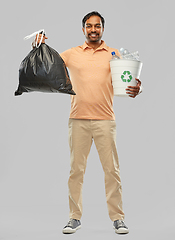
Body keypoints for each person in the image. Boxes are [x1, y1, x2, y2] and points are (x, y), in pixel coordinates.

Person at [33, 11, 142, 235]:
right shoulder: (72, 54)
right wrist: (39, 46)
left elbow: (127, 81)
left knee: (112, 171)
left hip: (105, 120)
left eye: (98, 26)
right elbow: (48, 63)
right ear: (83, 29)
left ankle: (118, 218)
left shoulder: (113, 54)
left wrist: (138, 89)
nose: (94, 29)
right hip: (78, 120)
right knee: (76, 171)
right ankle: (74, 218)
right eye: (89, 26)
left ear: (103, 28)